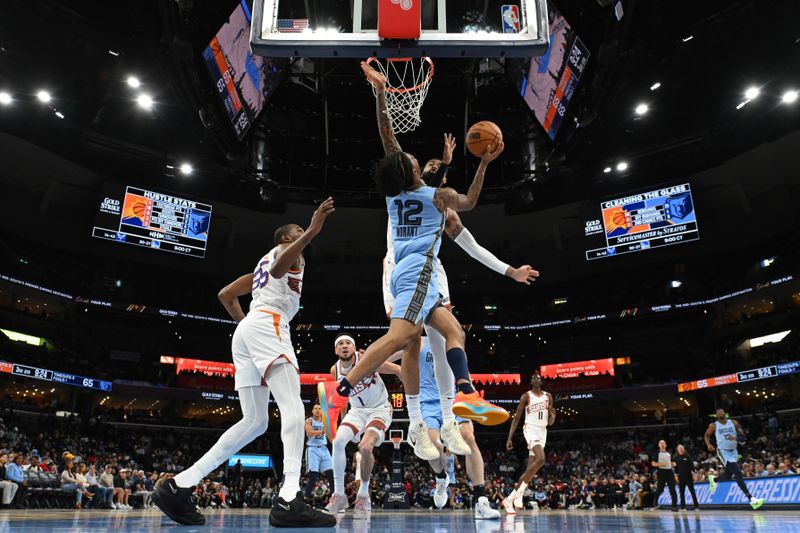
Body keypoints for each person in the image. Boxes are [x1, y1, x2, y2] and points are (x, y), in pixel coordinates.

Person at [322, 63, 507, 447]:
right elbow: (470, 201)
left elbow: (386, 136)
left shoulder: (396, 195)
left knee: (453, 331)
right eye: (408, 158)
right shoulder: (436, 197)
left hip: (407, 272)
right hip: (419, 272)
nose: (408, 155)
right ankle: (340, 389)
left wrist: (379, 95)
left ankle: (466, 393)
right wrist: (485, 164)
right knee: (402, 338)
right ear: (410, 170)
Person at [152, 200, 337, 528]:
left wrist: (246, 326)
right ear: (284, 239)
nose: (300, 236)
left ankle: (179, 484)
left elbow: (225, 294)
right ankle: (290, 497)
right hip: (269, 324)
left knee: (255, 421)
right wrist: (310, 231)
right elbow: (282, 266)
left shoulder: (258, 272)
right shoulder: (289, 255)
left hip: (249, 329)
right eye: (294, 232)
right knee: (293, 408)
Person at [414, 337, 501, 519]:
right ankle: (440, 477)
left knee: (469, 439)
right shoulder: (420, 341)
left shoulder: (454, 341)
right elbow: (392, 353)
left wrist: (472, 394)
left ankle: (481, 501)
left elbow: (463, 374)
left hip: (454, 399)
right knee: (433, 445)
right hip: (428, 402)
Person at [325, 333, 401, 519]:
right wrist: (343, 420)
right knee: (338, 441)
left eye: (348, 343)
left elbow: (397, 369)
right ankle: (339, 495)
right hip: (357, 411)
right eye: (340, 344)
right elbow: (342, 398)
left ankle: (363, 495)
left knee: (365, 447)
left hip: (379, 408)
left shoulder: (367, 358)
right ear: (336, 350)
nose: (344, 346)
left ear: (354, 347)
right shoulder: (334, 370)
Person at [503, 373, 555, 514]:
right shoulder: (526, 396)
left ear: (542, 381)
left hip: (542, 431)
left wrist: (553, 414)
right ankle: (514, 496)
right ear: (531, 382)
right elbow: (516, 418)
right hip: (530, 429)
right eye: (533, 378)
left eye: (538, 378)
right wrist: (509, 438)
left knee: (529, 470)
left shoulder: (548, 396)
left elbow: (550, 422)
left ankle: (513, 496)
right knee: (541, 459)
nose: (535, 379)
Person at [705, 408, 765, 510]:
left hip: (734, 451)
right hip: (723, 451)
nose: (720, 413)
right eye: (718, 412)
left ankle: (714, 480)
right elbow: (706, 435)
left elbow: (743, 437)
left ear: (725, 413)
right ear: (716, 415)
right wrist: (708, 444)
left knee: (728, 476)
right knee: (737, 473)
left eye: (721, 412)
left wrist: (735, 438)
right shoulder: (713, 425)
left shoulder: (733, 422)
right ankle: (751, 499)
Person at [304, 403, 334, 501]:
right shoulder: (309, 421)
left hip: (324, 448)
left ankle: (333, 499)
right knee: (313, 477)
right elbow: (309, 432)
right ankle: (306, 498)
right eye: (315, 408)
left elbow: (330, 435)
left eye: (319, 408)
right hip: (313, 449)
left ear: (322, 411)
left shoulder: (325, 421)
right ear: (312, 411)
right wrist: (321, 431)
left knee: (331, 475)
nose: (317, 410)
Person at [650, 440, 678, 511]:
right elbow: (653, 463)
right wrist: (661, 464)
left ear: (666, 445)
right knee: (660, 489)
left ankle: (674, 506)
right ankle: (655, 503)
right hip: (661, 472)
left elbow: (672, 462)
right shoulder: (657, 453)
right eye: (661, 443)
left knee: (672, 489)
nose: (662, 444)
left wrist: (673, 463)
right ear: (659, 445)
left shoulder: (669, 453)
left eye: (663, 443)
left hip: (669, 472)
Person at [674, 444, 698, 510]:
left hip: (688, 477)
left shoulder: (688, 456)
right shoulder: (676, 458)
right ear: (677, 450)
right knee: (681, 493)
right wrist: (676, 476)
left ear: (684, 449)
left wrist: (694, 474)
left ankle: (696, 506)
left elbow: (692, 467)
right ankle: (683, 507)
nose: (681, 449)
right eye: (679, 448)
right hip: (680, 478)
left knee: (692, 491)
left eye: (682, 448)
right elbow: (676, 468)